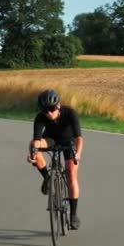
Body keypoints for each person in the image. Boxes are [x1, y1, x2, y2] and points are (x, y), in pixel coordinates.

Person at [27, 89, 84, 230]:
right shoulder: (40, 117)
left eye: (51, 109)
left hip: (68, 142)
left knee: (71, 175)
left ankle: (73, 215)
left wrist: (78, 154)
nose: (48, 113)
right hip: (51, 140)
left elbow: (79, 138)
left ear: (58, 105)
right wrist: (33, 154)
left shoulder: (70, 113)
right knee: (32, 144)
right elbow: (37, 140)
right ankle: (47, 177)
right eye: (45, 110)